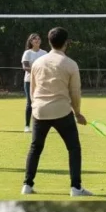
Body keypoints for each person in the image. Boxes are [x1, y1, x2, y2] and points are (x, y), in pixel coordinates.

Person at [21, 27, 93, 197]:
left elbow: (32, 90)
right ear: (66, 43)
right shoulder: (70, 64)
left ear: (49, 41)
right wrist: (77, 113)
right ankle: (76, 188)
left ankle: (27, 185)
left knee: (35, 148)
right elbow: (75, 93)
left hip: (40, 111)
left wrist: (36, 107)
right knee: (74, 148)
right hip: (61, 111)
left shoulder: (38, 63)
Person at [21, 33, 49, 132]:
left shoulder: (45, 53)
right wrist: (37, 72)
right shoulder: (27, 53)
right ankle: (27, 126)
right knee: (30, 102)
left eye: (38, 38)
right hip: (29, 81)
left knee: (42, 102)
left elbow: (48, 66)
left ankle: (42, 125)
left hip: (42, 81)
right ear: (31, 42)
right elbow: (25, 67)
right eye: (34, 39)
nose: (37, 40)